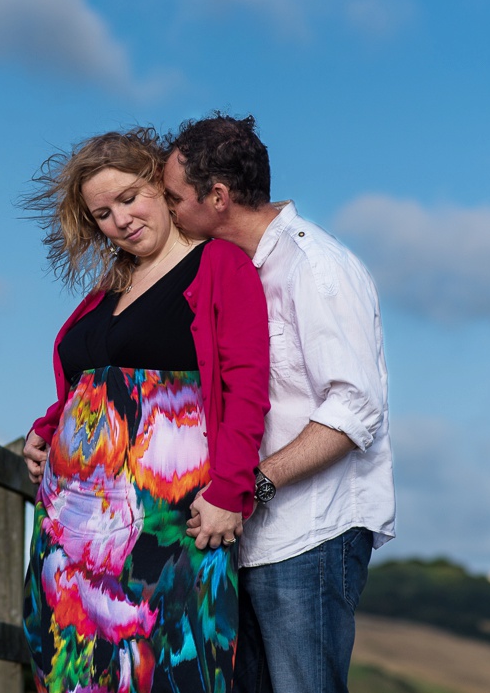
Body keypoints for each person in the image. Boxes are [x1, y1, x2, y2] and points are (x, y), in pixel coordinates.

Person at [20, 127, 270, 692]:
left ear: (160, 184)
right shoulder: (112, 284)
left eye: (130, 197)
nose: (121, 220)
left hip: (164, 515)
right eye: (103, 213)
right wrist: (48, 427)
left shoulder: (220, 265)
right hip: (72, 522)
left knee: (161, 665)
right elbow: (90, 380)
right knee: (71, 666)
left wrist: (231, 491)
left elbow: (247, 383)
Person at [162, 113, 396, 693]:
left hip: (309, 535)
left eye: (172, 197)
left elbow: (354, 409)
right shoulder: (235, 272)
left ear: (217, 197)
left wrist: (250, 485)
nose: (165, 210)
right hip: (248, 539)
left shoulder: (315, 267)